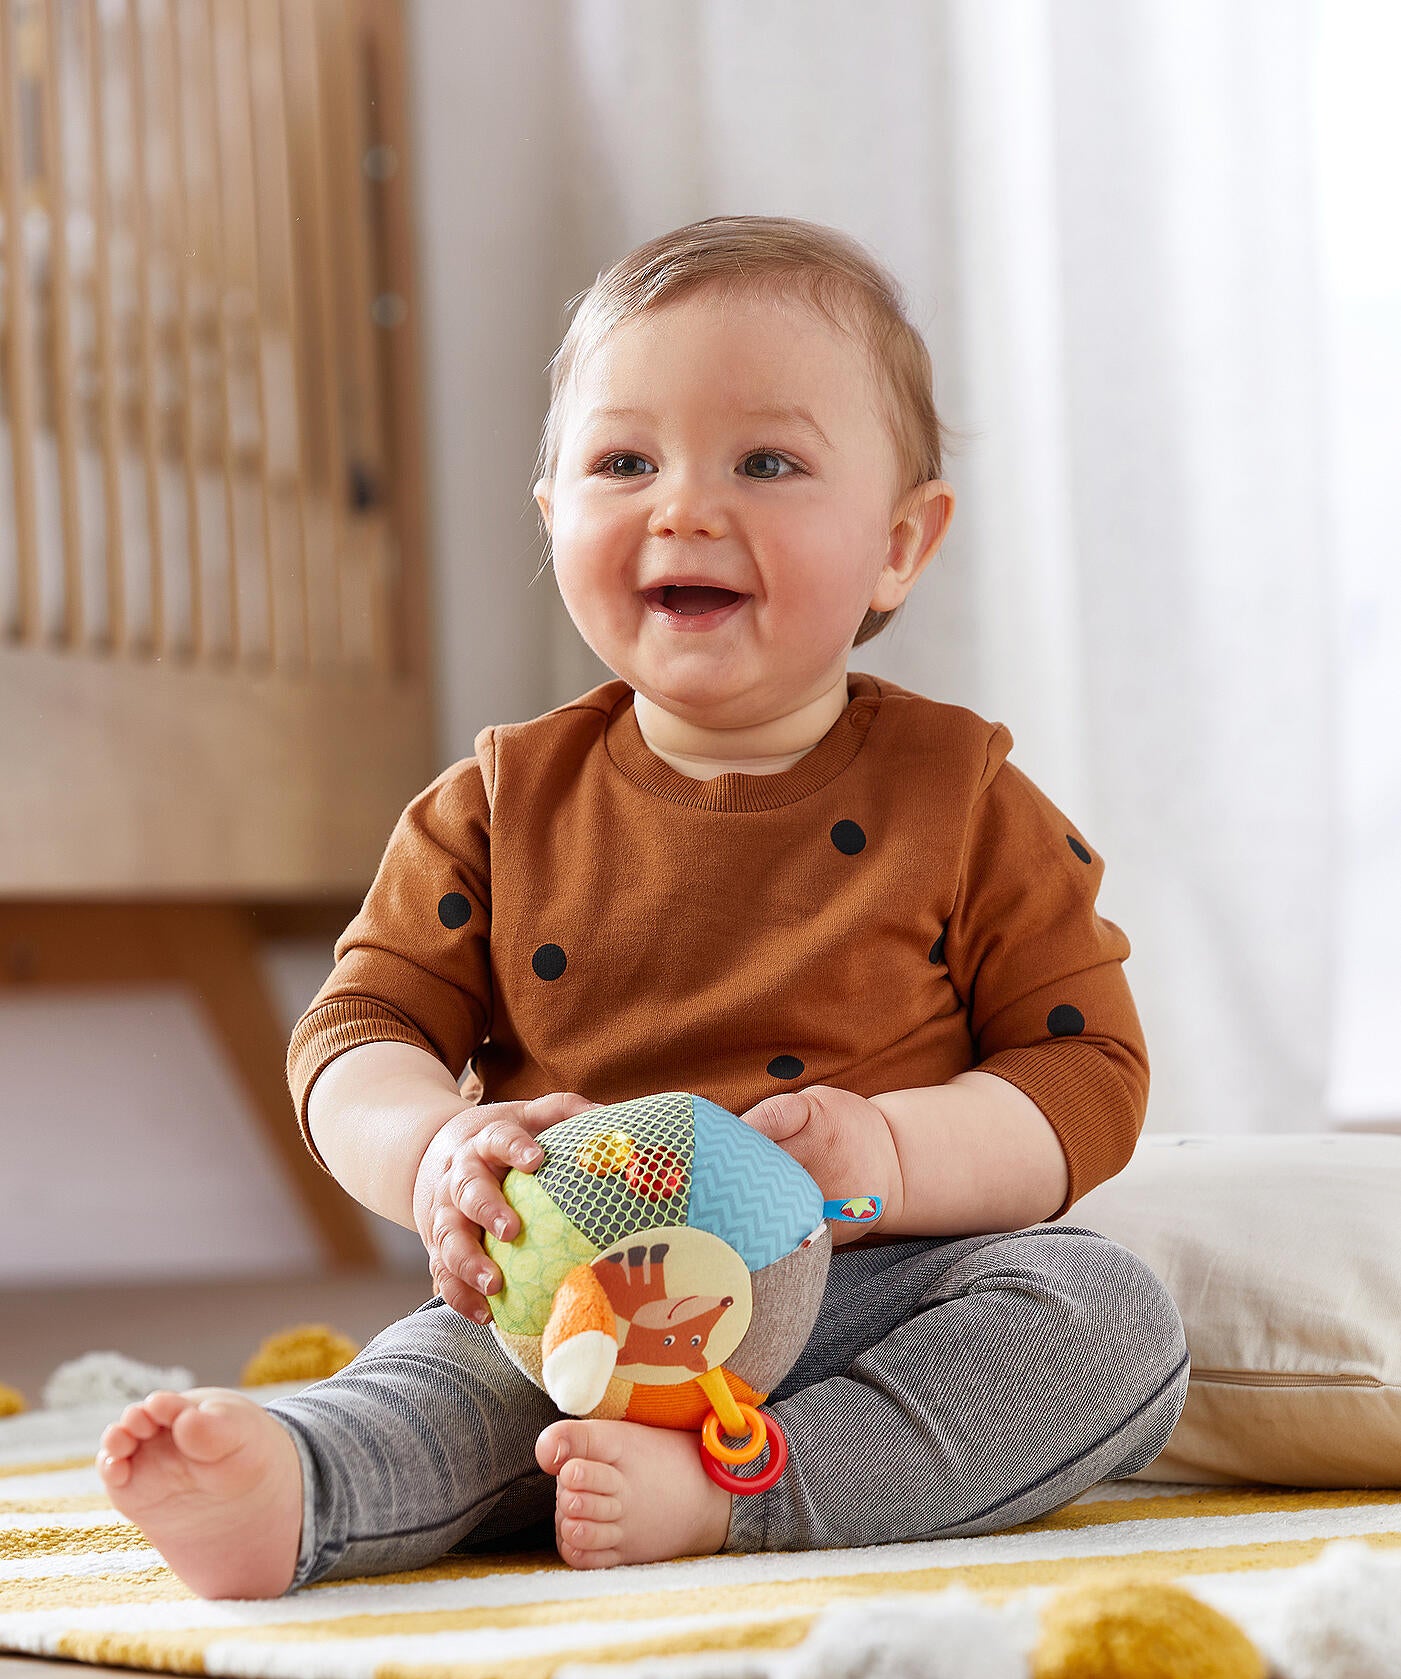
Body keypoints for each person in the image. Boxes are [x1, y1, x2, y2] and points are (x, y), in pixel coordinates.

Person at [94, 215, 1188, 1600]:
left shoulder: (964, 798)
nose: (681, 505)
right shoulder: (495, 805)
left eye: (767, 462)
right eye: (623, 463)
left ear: (899, 545)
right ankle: (300, 1487)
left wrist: (894, 1155)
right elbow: (357, 1030)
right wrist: (440, 1154)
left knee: (1107, 1321)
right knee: (435, 1376)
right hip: (574, 1303)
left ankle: (750, 1487)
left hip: (875, 1288)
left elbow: (1085, 1071)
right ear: (556, 515)